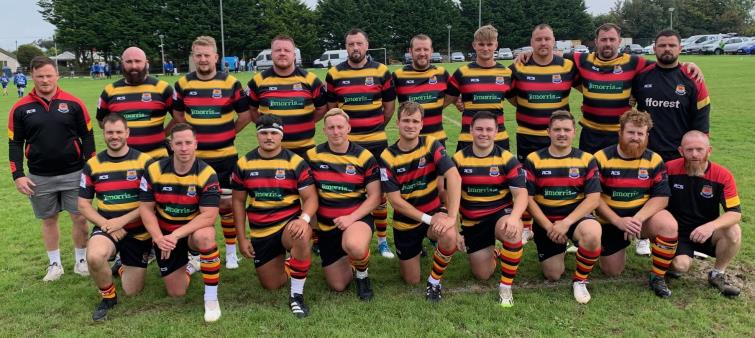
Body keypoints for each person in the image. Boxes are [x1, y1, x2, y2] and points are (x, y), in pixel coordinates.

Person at [8, 56, 95, 282]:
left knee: (79, 217)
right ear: (32, 76)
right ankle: (54, 264)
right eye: (39, 76)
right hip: (39, 176)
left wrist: (91, 167)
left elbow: (87, 135)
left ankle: (81, 260)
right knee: (49, 220)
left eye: (49, 75)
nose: (45, 80)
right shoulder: (20, 108)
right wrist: (18, 175)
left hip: (74, 172)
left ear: (57, 75)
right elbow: (15, 143)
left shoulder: (74, 103)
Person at [173, 36, 252, 269]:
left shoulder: (231, 83)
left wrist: (228, 133)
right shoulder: (183, 84)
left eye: (207, 55)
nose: (203, 59)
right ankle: (196, 256)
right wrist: (192, 139)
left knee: (227, 205)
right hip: (194, 160)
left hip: (225, 157)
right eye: (198, 55)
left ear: (216, 57)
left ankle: (230, 252)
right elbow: (178, 116)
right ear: (193, 57)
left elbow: (245, 115)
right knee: (193, 206)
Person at [231, 114, 318, 317]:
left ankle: (296, 295)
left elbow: (311, 198)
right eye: (264, 133)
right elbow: (237, 201)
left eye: (273, 133)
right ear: (257, 135)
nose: (268, 137)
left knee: (301, 234)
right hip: (261, 230)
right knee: (271, 284)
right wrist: (242, 239)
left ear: (281, 135)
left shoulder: (295, 162)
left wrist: (304, 219)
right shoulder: (244, 163)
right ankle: (292, 264)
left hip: (289, 224)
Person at [139, 123, 222, 322]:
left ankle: (211, 298)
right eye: (179, 143)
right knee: (176, 293)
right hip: (165, 236)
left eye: (188, 143)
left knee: (206, 236)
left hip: (189, 233)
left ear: (195, 144)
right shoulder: (154, 170)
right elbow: (145, 209)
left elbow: (209, 216)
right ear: (171, 145)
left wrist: (175, 235)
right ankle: (191, 265)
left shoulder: (206, 173)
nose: (184, 148)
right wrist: (159, 238)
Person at [379, 101, 461, 302]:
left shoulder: (431, 144)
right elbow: (395, 201)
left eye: (415, 121)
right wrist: (428, 220)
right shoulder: (387, 157)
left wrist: (450, 217)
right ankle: (422, 244)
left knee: (449, 234)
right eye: (406, 120)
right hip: (406, 222)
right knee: (412, 280)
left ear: (422, 125)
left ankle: (434, 281)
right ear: (397, 123)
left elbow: (454, 177)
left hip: (434, 213)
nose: (410, 125)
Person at [326, 28, 396, 258]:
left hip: (376, 142)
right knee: (347, 191)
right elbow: (333, 109)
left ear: (367, 46)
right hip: (347, 146)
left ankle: (383, 241)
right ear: (345, 47)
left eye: (359, 44)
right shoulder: (334, 73)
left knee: (379, 194)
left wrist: (375, 127)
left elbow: (388, 107)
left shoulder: (381, 71)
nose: (355, 48)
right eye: (350, 45)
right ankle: (333, 236)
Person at [508, 24, 580, 244]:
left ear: (554, 41)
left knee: (563, 180)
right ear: (531, 42)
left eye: (547, 39)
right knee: (528, 182)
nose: (543, 43)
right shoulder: (518, 66)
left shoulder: (567, 66)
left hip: (560, 137)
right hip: (529, 134)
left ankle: (569, 224)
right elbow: (510, 95)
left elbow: (589, 87)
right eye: (538, 39)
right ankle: (528, 225)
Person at [594, 109, 678, 297]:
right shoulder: (601, 158)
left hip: (642, 220)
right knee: (612, 271)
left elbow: (662, 198)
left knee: (668, 225)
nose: (636, 137)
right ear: (620, 133)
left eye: (640, 133)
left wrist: (637, 219)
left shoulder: (654, 159)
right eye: (631, 132)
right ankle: (616, 246)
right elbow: (594, 198)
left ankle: (657, 276)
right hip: (611, 221)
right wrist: (618, 221)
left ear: (647, 135)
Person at [79, 113, 153, 320]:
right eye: (110, 132)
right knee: (94, 256)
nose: (114, 136)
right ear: (104, 134)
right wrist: (108, 225)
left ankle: (120, 267)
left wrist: (123, 221)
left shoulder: (144, 162)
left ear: (127, 133)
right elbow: (83, 205)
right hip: (107, 227)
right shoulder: (93, 164)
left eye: (119, 132)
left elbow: (151, 202)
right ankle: (108, 297)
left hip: (139, 231)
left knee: (133, 290)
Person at [523, 110, 602, 304]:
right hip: (546, 222)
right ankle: (563, 244)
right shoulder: (534, 159)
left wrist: (566, 223)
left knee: (592, 233)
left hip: (575, 219)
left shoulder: (586, 159)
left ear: (574, 132)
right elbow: (528, 199)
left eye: (566, 129)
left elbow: (593, 199)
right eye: (557, 129)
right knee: (553, 275)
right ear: (548, 132)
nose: (562, 134)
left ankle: (580, 280)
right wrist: (549, 227)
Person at [304, 108, 381, 300]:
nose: (336, 131)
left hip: (356, 219)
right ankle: (350, 260)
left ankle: (362, 276)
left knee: (354, 245)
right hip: (326, 226)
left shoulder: (364, 157)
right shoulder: (312, 156)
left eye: (340, 127)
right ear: (324, 130)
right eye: (331, 127)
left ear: (348, 128)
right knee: (338, 285)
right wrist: (312, 223)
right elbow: (307, 193)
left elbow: (375, 197)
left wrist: (350, 218)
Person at [453, 111, 527, 307]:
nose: (483, 133)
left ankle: (505, 286)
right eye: (479, 129)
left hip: (499, 216)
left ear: (496, 132)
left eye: (488, 129)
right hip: (473, 222)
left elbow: (521, 194)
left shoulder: (506, 159)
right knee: (482, 275)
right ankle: (494, 253)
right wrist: (454, 229)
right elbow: (450, 198)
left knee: (512, 231)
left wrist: (514, 218)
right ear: (470, 131)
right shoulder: (458, 159)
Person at [666, 131, 742, 297]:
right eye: (689, 149)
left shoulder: (723, 175)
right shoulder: (669, 169)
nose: (694, 154)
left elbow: (735, 213)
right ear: (681, 151)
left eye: (700, 149)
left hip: (707, 232)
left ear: (709, 150)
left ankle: (717, 274)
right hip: (678, 233)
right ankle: (673, 258)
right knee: (680, 267)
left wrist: (711, 226)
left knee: (733, 230)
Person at [633, 29, 710, 162]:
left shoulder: (693, 78)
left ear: (680, 48)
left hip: (679, 154)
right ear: (654, 48)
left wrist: (696, 150)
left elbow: (701, 120)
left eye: (672, 45)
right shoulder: (641, 77)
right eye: (662, 46)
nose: (667, 49)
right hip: (645, 152)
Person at [248, 35, 328, 157]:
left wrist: (305, 121)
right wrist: (265, 124)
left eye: (287, 50)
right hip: (272, 150)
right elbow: (252, 109)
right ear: (271, 54)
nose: (282, 53)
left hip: (305, 150)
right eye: (278, 50)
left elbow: (322, 108)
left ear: (294, 55)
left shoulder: (311, 80)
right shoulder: (258, 81)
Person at [96, 47, 175, 159]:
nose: (133, 66)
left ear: (146, 63)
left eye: (138, 61)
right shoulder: (110, 91)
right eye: (129, 62)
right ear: (122, 63)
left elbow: (179, 117)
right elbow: (101, 122)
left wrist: (164, 134)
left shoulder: (163, 88)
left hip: (157, 159)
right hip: (124, 160)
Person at [445, 24, 513, 153]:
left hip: (499, 137)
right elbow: (446, 99)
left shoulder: (507, 73)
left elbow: (517, 101)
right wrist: (457, 101)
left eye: (489, 44)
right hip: (468, 138)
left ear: (496, 45)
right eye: (481, 44)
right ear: (474, 45)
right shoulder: (462, 73)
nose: (485, 48)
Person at [393, 34, 452, 145]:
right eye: (418, 50)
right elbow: (386, 102)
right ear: (410, 51)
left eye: (426, 49)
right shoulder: (398, 76)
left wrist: (456, 102)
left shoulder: (442, 73)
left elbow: (454, 95)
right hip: (409, 141)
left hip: (437, 140)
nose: (422, 53)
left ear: (431, 51)